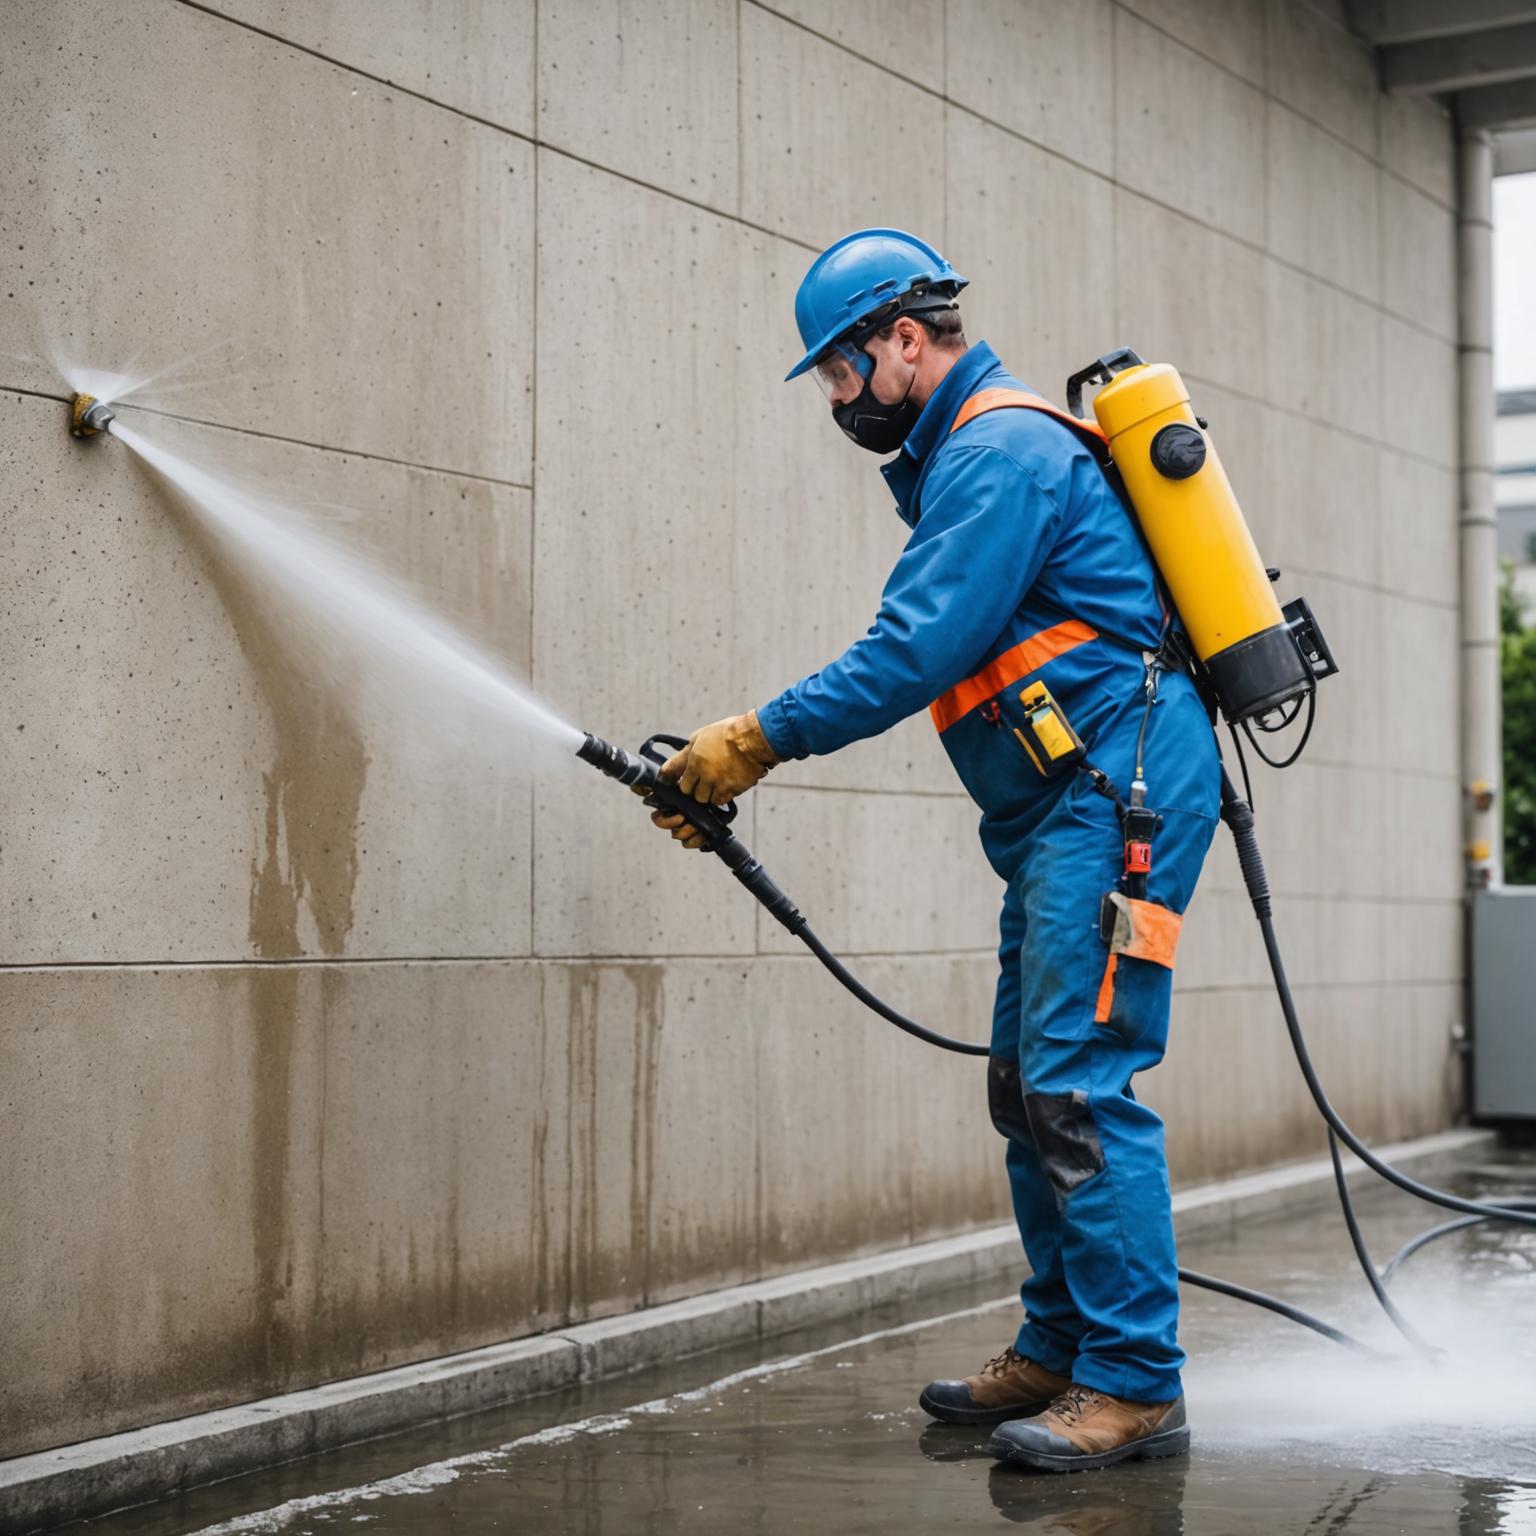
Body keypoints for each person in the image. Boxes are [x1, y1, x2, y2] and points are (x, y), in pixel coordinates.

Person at [651, 228, 1219, 1472]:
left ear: (906, 341)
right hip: (1068, 809)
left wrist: (756, 737)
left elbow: (913, 647)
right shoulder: (967, 457)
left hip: (1113, 800)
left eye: (844, 373)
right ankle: (1064, 1345)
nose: (839, 400)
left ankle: (1136, 1383)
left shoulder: (1000, 450)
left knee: (1078, 1082)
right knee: (1025, 1086)